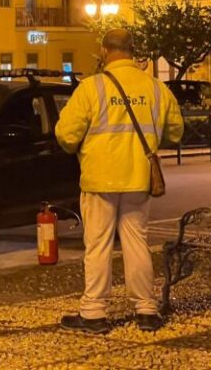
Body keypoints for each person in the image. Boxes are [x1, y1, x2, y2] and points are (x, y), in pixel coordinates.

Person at [55, 29, 184, 334]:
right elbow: (176, 132)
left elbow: (65, 135)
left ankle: (94, 313)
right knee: (136, 242)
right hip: (139, 177)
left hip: (100, 179)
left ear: (104, 52)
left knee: (98, 245)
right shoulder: (155, 88)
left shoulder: (91, 88)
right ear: (132, 51)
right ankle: (146, 310)